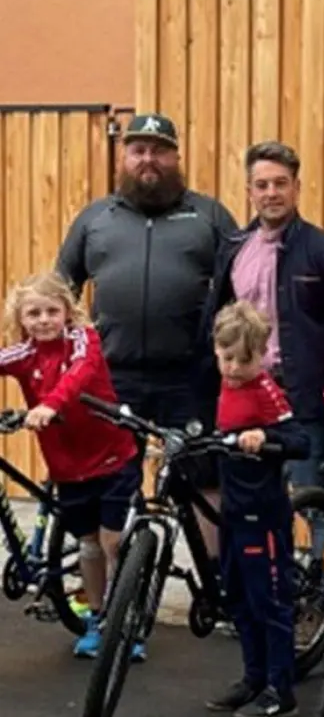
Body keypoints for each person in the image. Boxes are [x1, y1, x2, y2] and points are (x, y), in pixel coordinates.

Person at [56, 112, 238, 557]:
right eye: (138, 150)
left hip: (190, 378)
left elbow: (241, 291)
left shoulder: (209, 215)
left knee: (205, 479)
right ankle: (120, 597)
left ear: (176, 157)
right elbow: (61, 288)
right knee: (111, 481)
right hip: (112, 379)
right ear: (125, 157)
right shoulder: (95, 219)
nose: (148, 159)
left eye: (159, 150)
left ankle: (215, 586)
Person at [198, 141, 324, 537]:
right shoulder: (233, 249)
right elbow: (217, 319)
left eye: (281, 183)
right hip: (243, 394)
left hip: (301, 397)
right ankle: (265, 580)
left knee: (313, 498)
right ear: (249, 191)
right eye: (261, 185)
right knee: (249, 499)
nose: (271, 193)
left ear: (297, 187)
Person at [0, 272, 140, 660]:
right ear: (21, 319)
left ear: (67, 312)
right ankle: (97, 619)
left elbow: (79, 375)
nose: (43, 320)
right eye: (34, 314)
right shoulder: (25, 353)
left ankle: (127, 621)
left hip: (113, 458)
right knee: (89, 545)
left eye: (51, 311)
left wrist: (49, 405)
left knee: (113, 541)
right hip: (70, 468)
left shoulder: (83, 340)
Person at [203, 301, 311, 717]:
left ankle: (279, 688)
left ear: (261, 355)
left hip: (261, 513)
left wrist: (261, 437)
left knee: (270, 600)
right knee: (238, 597)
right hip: (232, 508)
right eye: (225, 358)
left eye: (242, 361)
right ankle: (253, 677)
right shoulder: (226, 384)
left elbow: (298, 440)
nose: (231, 369)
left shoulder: (265, 390)